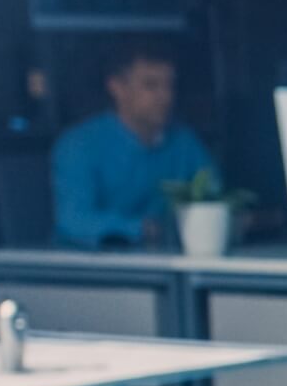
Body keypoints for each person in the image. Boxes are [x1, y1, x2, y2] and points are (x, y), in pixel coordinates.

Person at [51, 42, 214, 250]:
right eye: (151, 85)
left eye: (169, 85)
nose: (165, 97)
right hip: (88, 271)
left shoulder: (185, 143)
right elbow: (73, 219)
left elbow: (214, 197)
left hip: (166, 268)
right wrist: (143, 228)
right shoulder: (78, 145)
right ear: (116, 87)